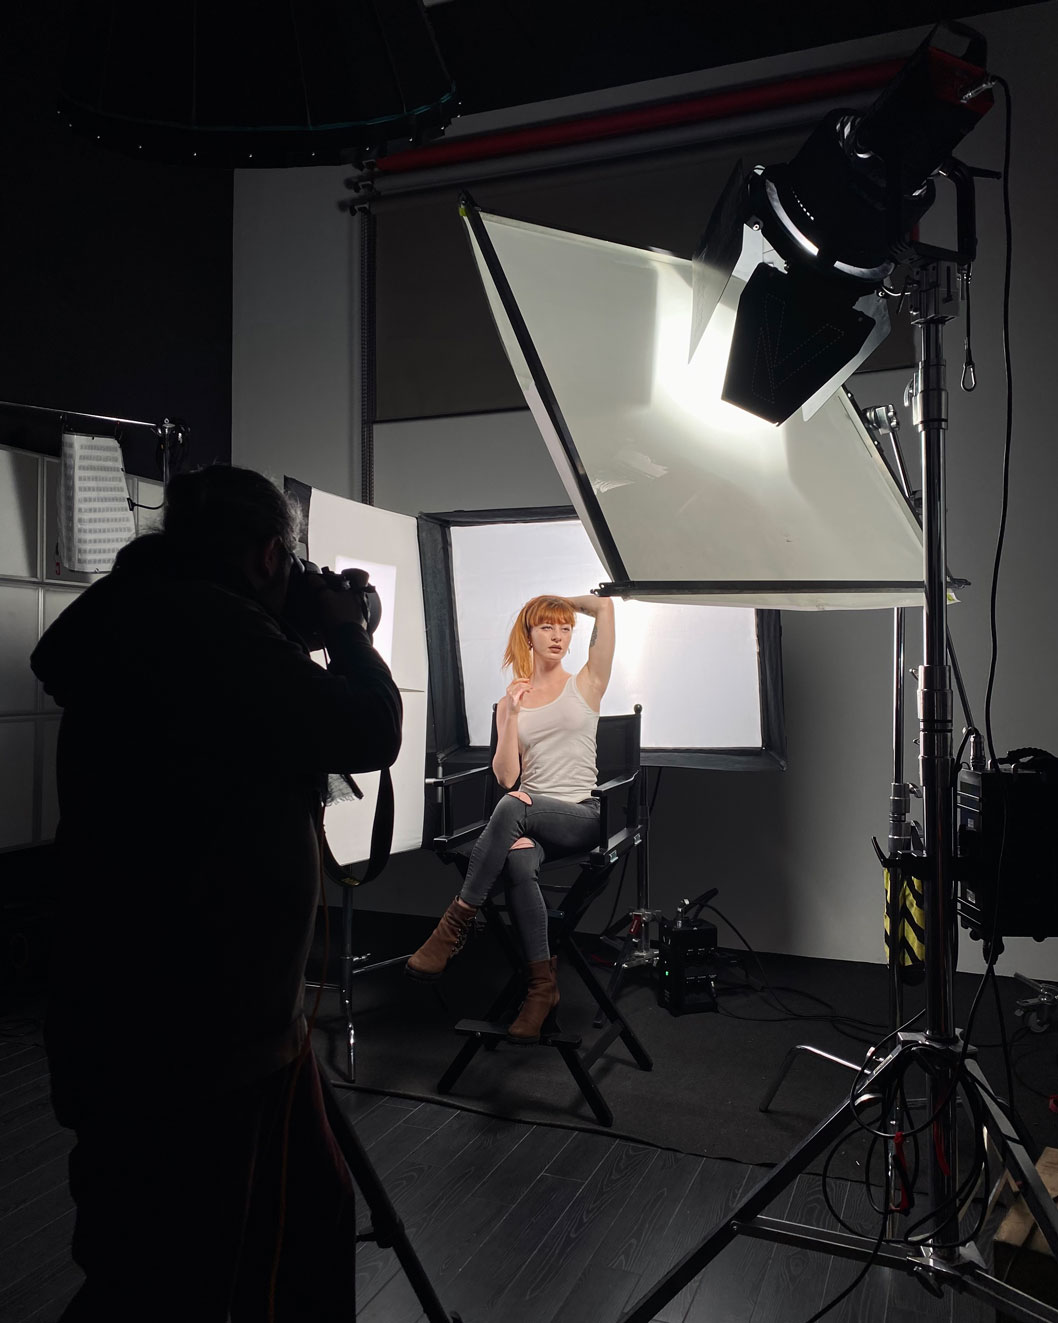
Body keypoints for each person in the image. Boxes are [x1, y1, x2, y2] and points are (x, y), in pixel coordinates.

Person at [29, 464, 403, 1322]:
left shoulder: (140, 612)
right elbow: (369, 727)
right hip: (202, 1027)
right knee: (170, 1275)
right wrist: (347, 632)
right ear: (270, 554)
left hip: (171, 1005)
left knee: (295, 1219)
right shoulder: (211, 629)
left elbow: (234, 722)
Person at [406, 591, 615, 1042]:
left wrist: (556, 602)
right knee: (519, 857)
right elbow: (505, 777)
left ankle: (454, 924)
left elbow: (604, 607)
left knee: (514, 805)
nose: (558, 636)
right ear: (529, 634)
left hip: (580, 815)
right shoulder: (510, 701)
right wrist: (512, 716)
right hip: (528, 819)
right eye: (547, 626)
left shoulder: (588, 682)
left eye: (565, 628)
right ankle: (542, 988)